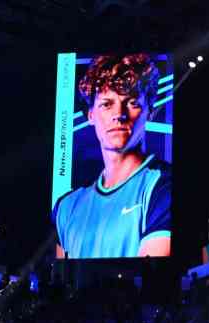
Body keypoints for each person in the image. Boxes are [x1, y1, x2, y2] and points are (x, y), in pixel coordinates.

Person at [53, 53, 172, 259]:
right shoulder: (66, 207)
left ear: (150, 112)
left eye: (132, 103)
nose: (119, 114)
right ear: (91, 114)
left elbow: (152, 274)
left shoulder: (162, 186)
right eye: (107, 104)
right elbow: (62, 281)